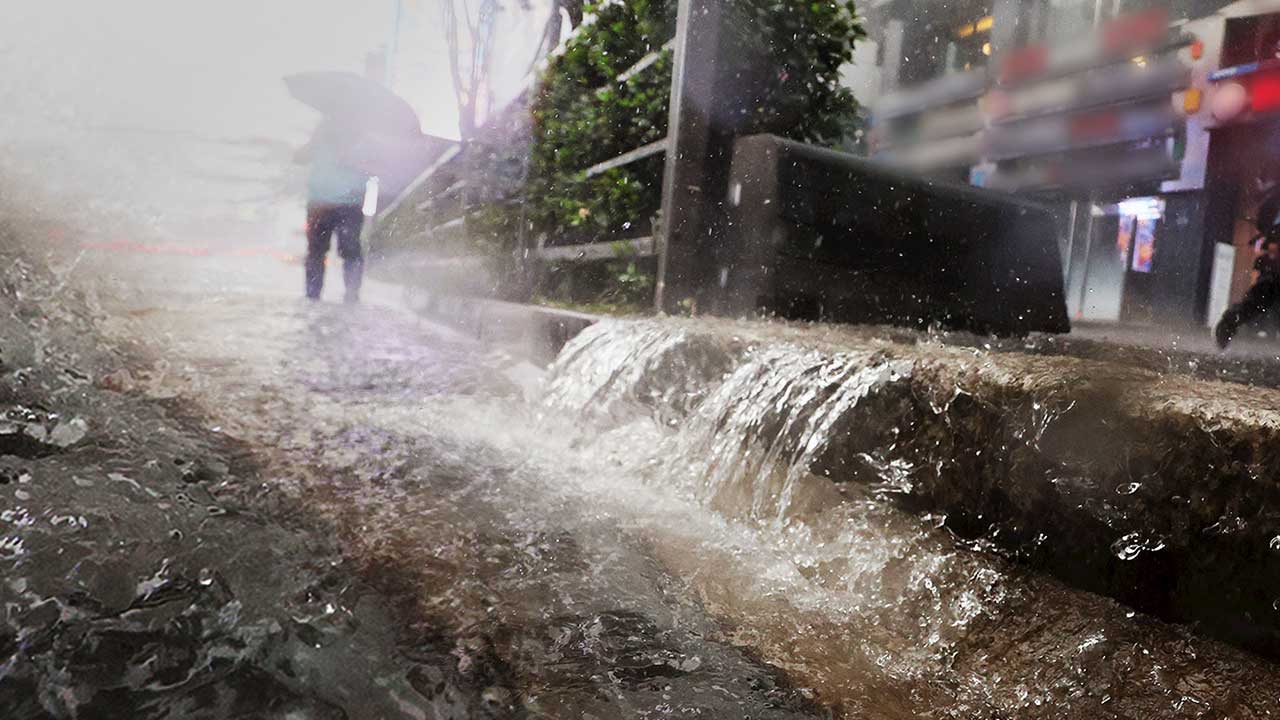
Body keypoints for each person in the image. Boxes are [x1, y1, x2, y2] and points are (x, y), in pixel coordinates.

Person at [295, 117, 369, 303]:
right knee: (322, 252)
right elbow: (299, 158)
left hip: (344, 204)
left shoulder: (361, 138)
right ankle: (314, 295)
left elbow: (373, 166)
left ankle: (347, 295)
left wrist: (354, 158)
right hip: (325, 203)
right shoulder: (323, 132)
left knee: (345, 251)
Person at [1215, 236, 1280, 348]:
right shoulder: (1263, 259)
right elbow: (1255, 275)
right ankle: (1227, 325)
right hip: (1267, 285)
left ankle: (1228, 325)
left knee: (1261, 308)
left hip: (1270, 285)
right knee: (1254, 305)